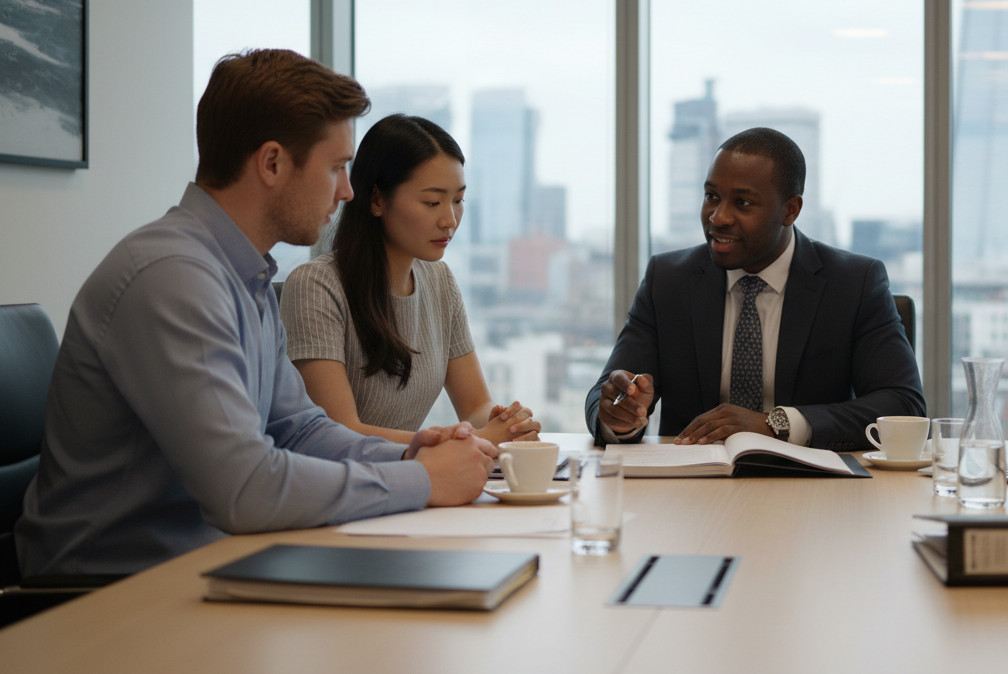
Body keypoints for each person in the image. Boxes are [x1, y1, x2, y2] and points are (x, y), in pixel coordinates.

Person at [16, 49, 496, 578]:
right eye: (336, 167)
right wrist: (424, 482)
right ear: (272, 163)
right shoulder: (174, 278)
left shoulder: (245, 275)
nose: (348, 190)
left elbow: (298, 428)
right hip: (109, 596)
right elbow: (243, 489)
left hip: (207, 566)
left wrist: (410, 457)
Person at [586, 127, 925, 451]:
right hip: (691, 489)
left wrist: (776, 425)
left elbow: (903, 405)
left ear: (790, 210)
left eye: (743, 203)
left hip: (814, 493)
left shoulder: (853, 283)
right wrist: (619, 414)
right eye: (711, 197)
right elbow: (604, 395)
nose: (718, 217)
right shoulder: (669, 279)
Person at [279, 114, 539, 447]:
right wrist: (470, 440)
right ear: (376, 199)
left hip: (411, 485)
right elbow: (338, 433)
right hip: (342, 488)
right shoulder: (316, 287)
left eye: (458, 200)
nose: (449, 220)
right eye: (432, 202)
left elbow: (475, 405)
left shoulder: (439, 280)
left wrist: (505, 424)